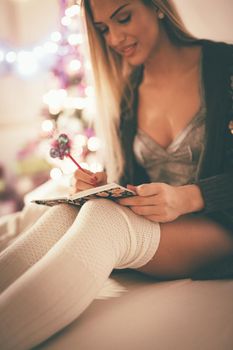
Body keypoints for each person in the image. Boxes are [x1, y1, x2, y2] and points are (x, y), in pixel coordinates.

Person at [0, 0, 233, 349]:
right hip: (163, 228)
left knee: (105, 221)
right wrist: (103, 181)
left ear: (157, 6)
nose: (115, 38)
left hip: (220, 226)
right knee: (69, 209)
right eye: (104, 28)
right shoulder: (127, 90)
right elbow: (132, 176)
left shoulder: (223, 66)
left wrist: (190, 196)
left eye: (123, 18)